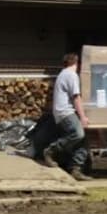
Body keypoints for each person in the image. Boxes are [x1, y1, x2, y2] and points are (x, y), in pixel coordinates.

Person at [42, 52, 90, 180]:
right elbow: (76, 97)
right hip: (65, 112)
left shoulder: (63, 73)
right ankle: (50, 150)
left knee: (83, 140)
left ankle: (75, 169)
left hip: (63, 112)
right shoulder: (71, 74)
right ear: (77, 63)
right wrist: (83, 116)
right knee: (78, 134)